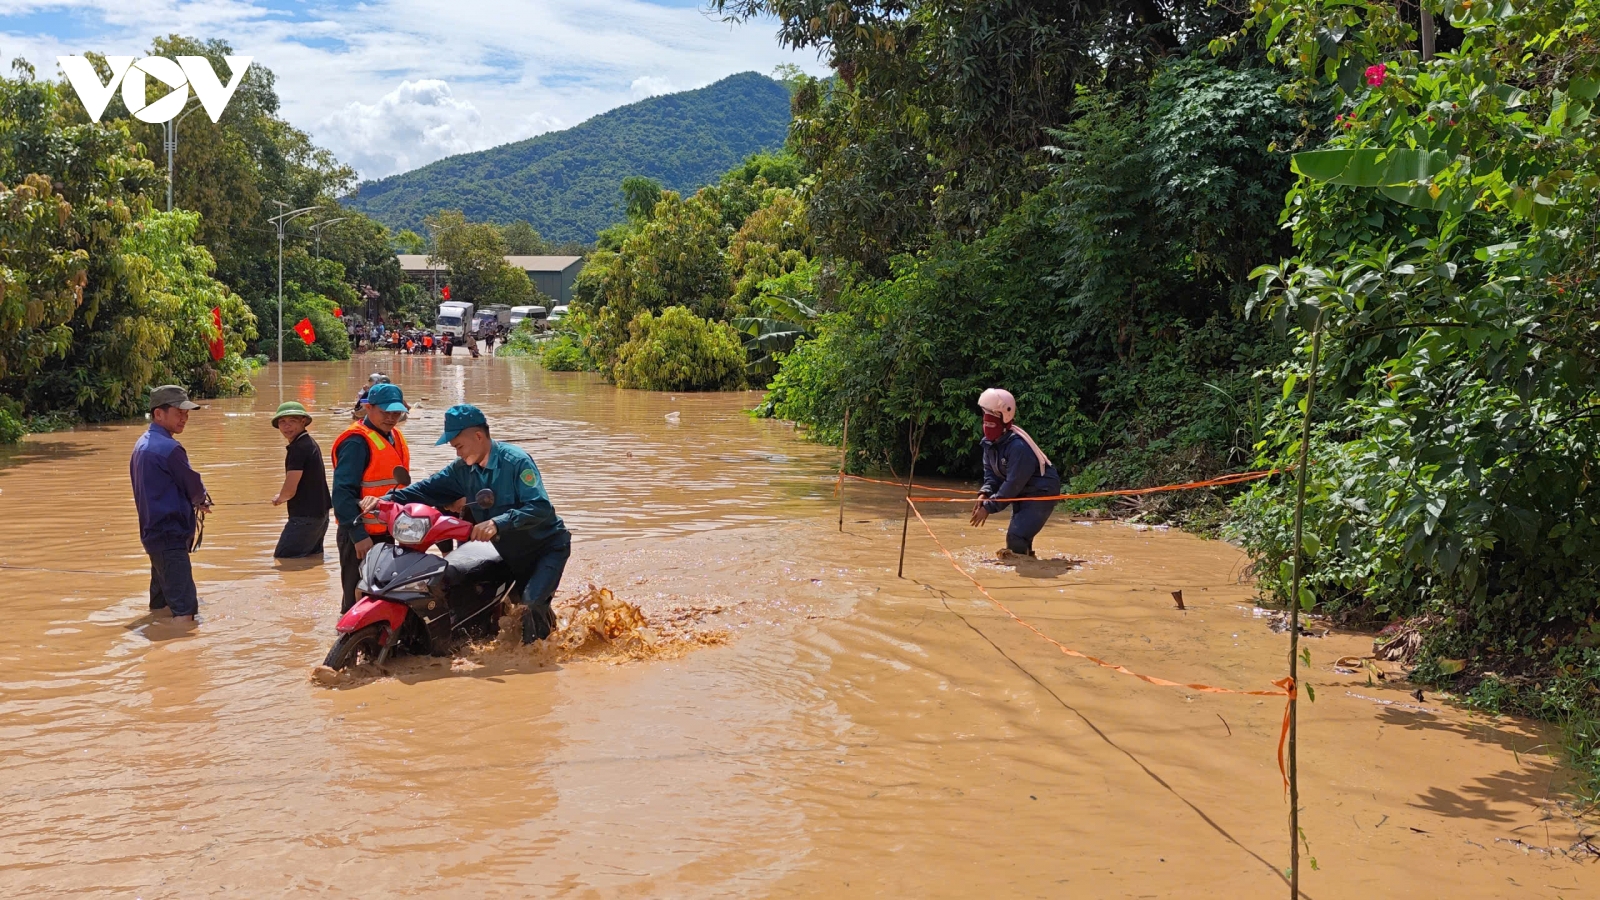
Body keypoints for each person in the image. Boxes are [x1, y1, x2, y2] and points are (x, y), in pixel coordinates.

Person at [363, 404, 570, 643]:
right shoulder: (462, 470)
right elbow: (426, 489)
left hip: (545, 548)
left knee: (531, 603)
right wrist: (385, 500)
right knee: (521, 606)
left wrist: (497, 522)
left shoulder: (516, 462)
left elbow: (540, 507)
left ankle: (538, 666)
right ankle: (553, 636)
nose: (457, 453)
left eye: (459, 446)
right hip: (509, 551)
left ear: (479, 436)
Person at [129, 385, 211, 622]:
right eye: (179, 413)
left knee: (160, 607)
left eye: (186, 413)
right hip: (170, 537)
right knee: (185, 614)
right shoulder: (170, 448)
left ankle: (157, 643)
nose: (184, 418)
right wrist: (201, 501)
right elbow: (192, 483)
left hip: (152, 535)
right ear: (158, 414)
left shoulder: (142, 444)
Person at [331, 382, 411, 613]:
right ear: (368, 408)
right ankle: (347, 644)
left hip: (386, 530)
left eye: (396, 412)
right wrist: (358, 536)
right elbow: (342, 494)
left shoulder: (393, 435)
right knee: (355, 599)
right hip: (360, 536)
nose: (391, 418)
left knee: (382, 594)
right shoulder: (356, 442)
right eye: (385, 412)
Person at [969, 388, 1062, 559]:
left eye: (992, 420)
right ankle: (1030, 565)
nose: (987, 425)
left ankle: (1024, 572)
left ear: (1005, 419)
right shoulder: (989, 445)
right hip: (1023, 492)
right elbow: (991, 475)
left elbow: (1013, 484)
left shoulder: (1018, 448)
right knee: (1020, 537)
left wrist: (988, 508)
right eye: (985, 420)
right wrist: (984, 493)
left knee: (1016, 536)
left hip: (1041, 492)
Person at [270, 401, 331, 559]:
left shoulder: (298, 448)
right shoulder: (309, 443)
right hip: (320, 515)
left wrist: (280, 498)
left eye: (292, 421)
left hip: (305, 517)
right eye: (282, 422)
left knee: (283, 559)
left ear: (303, 422)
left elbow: (290, 489)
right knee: (311, 559)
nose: (287, 426)